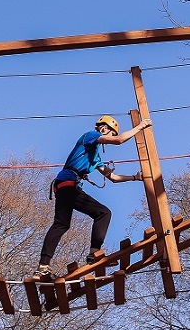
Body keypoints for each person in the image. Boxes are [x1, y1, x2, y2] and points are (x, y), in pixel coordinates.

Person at [35, 115, 152, 279]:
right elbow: (119, 140)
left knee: (63, 223)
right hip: (68, 183)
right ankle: (93, 252)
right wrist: (140, 126)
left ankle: (43, 268)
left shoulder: (95, 158)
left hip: (67, 186)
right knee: (103, 213)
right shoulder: (90, 136)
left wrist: (134, 177)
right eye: (110, 133)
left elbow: (113, 178)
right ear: (104, 129)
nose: (109, 138)